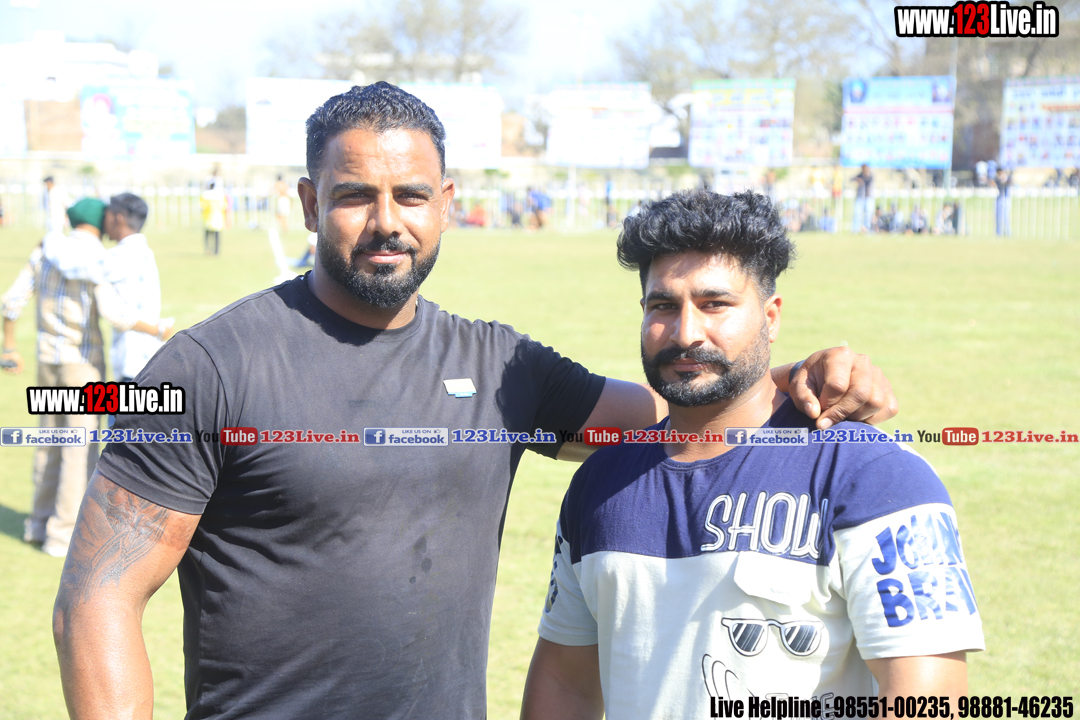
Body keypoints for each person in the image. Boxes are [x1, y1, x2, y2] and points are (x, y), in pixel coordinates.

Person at [54, 83, 898, 720]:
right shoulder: (207, 366)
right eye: (354, 195)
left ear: (446, 206)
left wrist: (795, 378)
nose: (387, 222)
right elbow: (96, 600)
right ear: (310, 203)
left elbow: (672, 412)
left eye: (412, 196)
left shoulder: (501, 367)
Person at [520, 190, 984, 720]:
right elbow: (567, 684)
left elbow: (929, 700)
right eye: (663, 306)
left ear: (771, 317)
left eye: (714, 304)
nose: (686, 333)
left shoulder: (876, 477)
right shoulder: (598, 482)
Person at [1, 199, 108, 557]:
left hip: (47, 360)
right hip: (83, 361)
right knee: (79, 448)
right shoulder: (96, 256)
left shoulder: (45, 249)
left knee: (48, 441)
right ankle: (63, 536)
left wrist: (10, 347)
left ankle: (37, 524)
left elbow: (11, 302)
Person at [40, 193, 174, 382]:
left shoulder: (122, 257)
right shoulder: (142, 252)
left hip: (133, 362)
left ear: (117, 218)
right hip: (145, 358)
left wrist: (52, 235)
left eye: (106, 216)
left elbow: (68, 265)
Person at [201, 170, 226, 255]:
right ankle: (216, 251)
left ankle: (207, 249)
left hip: (207, 218)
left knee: (207, 236)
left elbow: (202, 207)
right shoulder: (220, 195)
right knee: (217, 236)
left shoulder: (205, 195)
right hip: (218, 218)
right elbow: (224, 206)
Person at [852, 164, 873, 233]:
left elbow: (869, 180)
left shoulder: (870, 176)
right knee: (857, 214)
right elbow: (852, 178)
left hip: (868, 197)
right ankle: (855, 229)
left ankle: (867, 229)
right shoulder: (860, 175)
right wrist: (858, 179)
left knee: (868, 214)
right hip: (860, 197)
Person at [994, 168, 1012, 236]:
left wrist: (1004, 178)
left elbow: (1008, 182)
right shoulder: (997, 179)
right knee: (998, 216)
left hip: (1005, 198)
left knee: (1006, 216)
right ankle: (999, 232)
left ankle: (1008, 232)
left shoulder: (1007, 178)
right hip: (1000, 198)